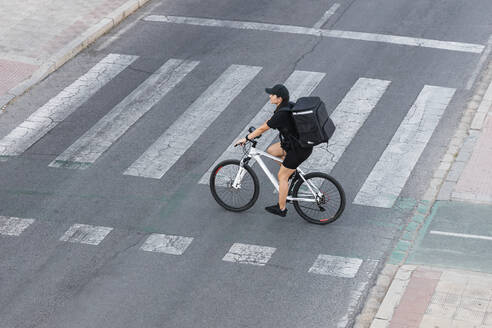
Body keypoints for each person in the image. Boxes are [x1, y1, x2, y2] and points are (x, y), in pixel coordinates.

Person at [235, 84, 313, 217]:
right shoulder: (285, 107)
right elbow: (269, 122)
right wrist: (261, 129)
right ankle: (291, 173)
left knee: (282, 176)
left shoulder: (281, 113)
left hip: (299, 149)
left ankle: (281, 208)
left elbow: (263, 129)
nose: (270, 96)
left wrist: (246, 138)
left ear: (279, 98)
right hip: (297, 144)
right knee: (272, 150)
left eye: (272, 94)